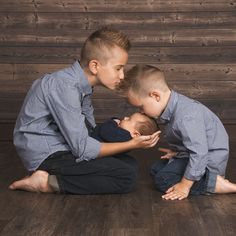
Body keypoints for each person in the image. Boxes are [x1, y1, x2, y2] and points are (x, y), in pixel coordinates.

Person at [9, 28, 160, 195]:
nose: (122, 75)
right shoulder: (64, 87)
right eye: (118, 68)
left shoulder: (83, 86)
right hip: (49, 154)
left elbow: (89, 132)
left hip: (66, 147)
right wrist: (131, 143)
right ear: (94, 66)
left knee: (130, 164)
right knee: (127, 176)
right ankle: (45, 183)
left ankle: (52, 177)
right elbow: (83, 149)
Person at [119, 64, 236, 200]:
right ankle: (202, 180)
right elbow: (194, 142)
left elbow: (200, 153)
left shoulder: (186, 117)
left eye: (141, 106)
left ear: (155, 96)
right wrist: (178, 153)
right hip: (196, 155)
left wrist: (185, 186)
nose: (141, 111)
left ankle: (213, 183)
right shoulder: (176, 106)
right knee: (156, 169)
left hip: (207, 164)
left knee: (162, 179)